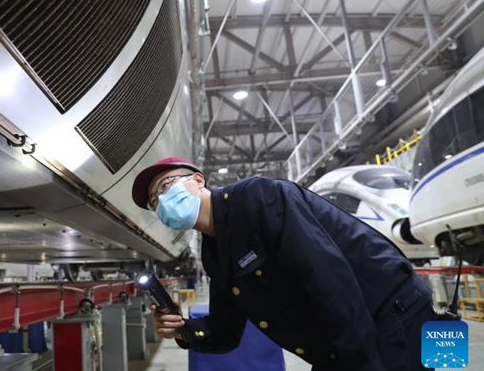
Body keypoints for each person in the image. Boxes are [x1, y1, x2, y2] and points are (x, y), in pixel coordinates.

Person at [131, 157, 437, 371]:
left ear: (198, 180)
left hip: (393, 320)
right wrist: (183, 330)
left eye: (165, 185)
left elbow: (329, 280)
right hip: (343, 340)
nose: (161, 200)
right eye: (154, 202)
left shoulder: (259, 198)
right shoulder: (214, 255)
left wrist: (362, 364)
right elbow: (225, 333)